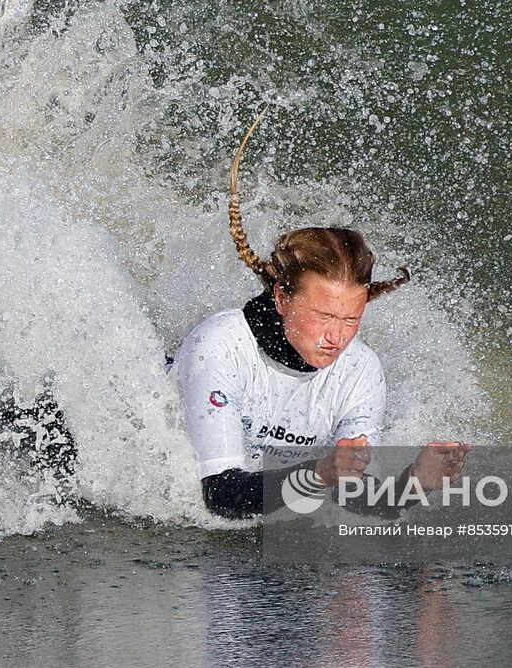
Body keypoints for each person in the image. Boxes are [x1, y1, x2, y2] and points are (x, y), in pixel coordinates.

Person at [171, 110, 470, 519]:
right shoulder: (220, 346)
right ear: (281, 298)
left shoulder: (360, 371)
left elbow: (352, 497)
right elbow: (221, 497)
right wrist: (319, 472)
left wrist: (414, 483)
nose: (337, 337)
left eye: (350, 320)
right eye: (324, 316)